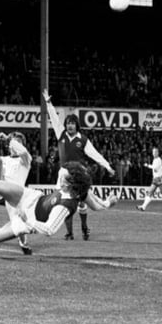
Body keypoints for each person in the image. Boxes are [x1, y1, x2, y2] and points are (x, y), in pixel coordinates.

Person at [0, 161, 98, 248]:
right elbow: (99, 206)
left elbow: (49, 230)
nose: (59, 176)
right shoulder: (66, 188)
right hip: (30, 198)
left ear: (70, 183)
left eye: (62, 175)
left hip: (27, 220)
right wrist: (109, 202)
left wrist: (27, 220)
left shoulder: (66, 205)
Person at [44, 89, 116, 240]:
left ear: (77, 125)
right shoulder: (61, 134)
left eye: (72, 123)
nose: (70, 126)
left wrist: (107, 166)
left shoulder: (82, 140)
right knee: (64, 203)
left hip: (79, 175)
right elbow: (53, 118)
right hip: (64, 174)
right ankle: (69, 233)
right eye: (68, 123)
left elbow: (95, 154)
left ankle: (86, 225)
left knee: (87, 204)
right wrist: (48, 102)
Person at [136, 147, 162, 212]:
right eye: (153, 152)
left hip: (158, 179)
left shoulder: (158, 160)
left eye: (155, 152)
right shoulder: (155, 160)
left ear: (157, 152)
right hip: (155, 179)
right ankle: (143, 207)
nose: (153, 153)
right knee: (150, 193)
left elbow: (155, 168)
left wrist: (147, 165)